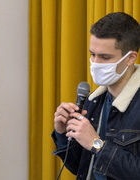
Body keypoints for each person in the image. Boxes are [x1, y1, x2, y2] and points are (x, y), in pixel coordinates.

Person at [52, 12, 140, 180]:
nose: (95, 63)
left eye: (105, 57)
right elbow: (80, 166)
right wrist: (63, 133)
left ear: (130, 58)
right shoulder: (94, 100)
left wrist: (97, 144)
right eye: (93, 54)